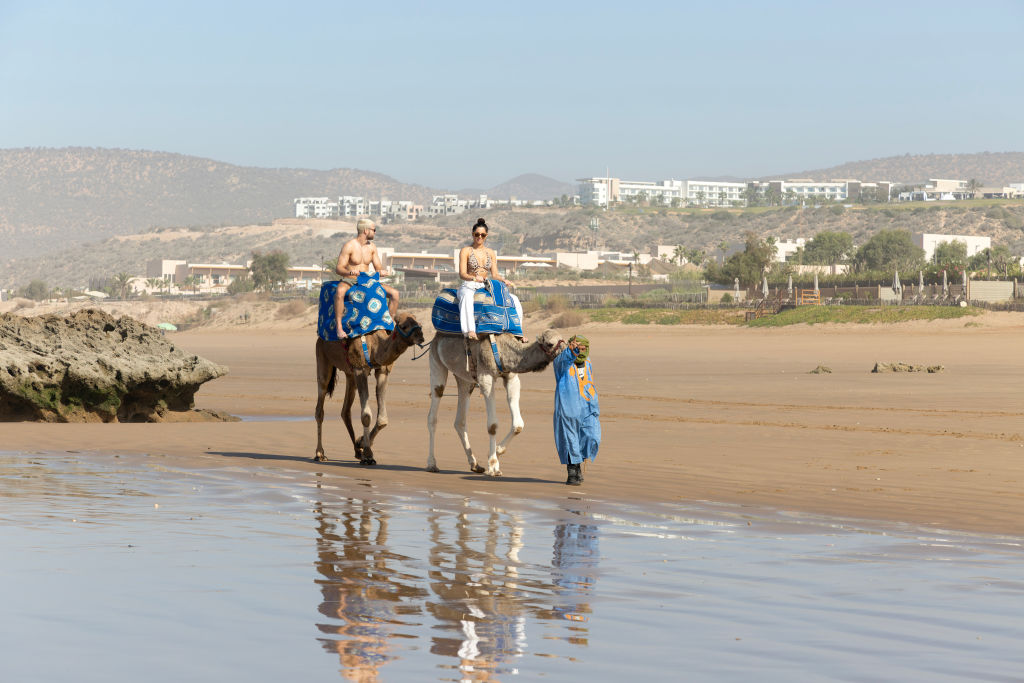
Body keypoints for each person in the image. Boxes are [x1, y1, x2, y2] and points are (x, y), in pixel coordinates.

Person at [457, 218, 523, 340]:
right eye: (477, 234)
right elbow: (462, 274)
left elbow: (495, 274)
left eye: (482, 235)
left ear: (486, 236)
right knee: (466, 297)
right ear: (473, 234)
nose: (479, 237)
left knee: (514, 299)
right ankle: (469, 330)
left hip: (486, 285)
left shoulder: (491, 252)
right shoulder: (465, 251)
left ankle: (518, 331)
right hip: (469, 285)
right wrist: (474, 278)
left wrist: (503, 280)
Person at [334, 218, 399, 336]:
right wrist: (350, 272)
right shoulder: (349, 246)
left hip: (368, 280)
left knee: (395, 294)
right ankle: (339, 328)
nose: (375, 232)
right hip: (351, 280)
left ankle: (388, 323)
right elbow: (339, 268)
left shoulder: (372, 247)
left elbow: (378, 267)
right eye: (374, 230)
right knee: (339, 291)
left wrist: (382, 271)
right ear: (365, 231)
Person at [552, 335, 600, 486]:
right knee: (570, 440)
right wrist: (570, 352)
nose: (581, 351)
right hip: (568, 407)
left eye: (584, 348)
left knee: (592, 436)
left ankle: (579, 462)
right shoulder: (561, 362)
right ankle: (572, 472)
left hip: (588, 406)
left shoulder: (588, 362)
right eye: (578, 347)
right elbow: (564, 360)